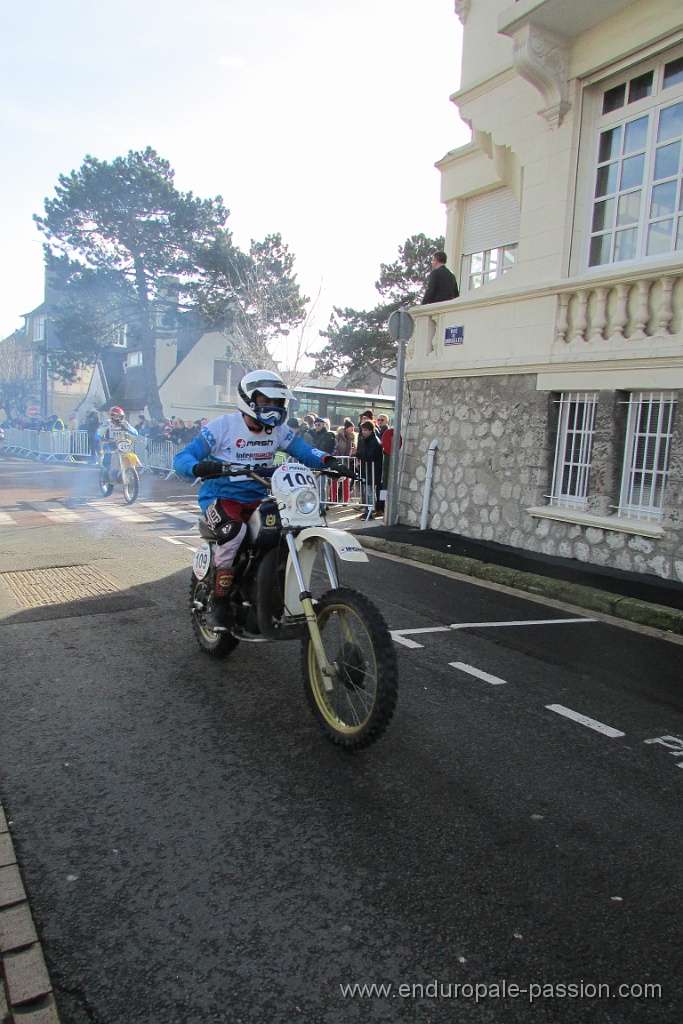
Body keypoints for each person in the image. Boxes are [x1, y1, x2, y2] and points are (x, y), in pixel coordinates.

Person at [173, 369, 353, 632]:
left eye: (278, 403)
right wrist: (199, 468)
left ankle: (268, 590)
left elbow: (304, 451)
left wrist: (330, 461)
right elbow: (183, 458)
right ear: (249, 399)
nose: (273, 409)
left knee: (285, 531)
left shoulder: (279, 431)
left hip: (259, 497)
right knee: (234, 532)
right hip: (221, 498)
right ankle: (220, 603)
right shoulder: (222, 426)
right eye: (266, 402)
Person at [96, 406, 138, 478]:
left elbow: (135, 433)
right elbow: (97, 435)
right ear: (111, 416)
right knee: (109, 456)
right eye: (115, 416)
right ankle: (107, 473)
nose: (117, 418)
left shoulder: (125, 423)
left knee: (130, 454)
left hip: (122, 443)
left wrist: (127, 429)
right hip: (111, 443)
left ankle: (129, 470)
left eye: (119, 416)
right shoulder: (107, 424)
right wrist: (102, 437)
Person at [356, 419, 384, 518]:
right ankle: (368, 510)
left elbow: (369, 456)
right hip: (367, 471)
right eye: (363, 430)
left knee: (370, 492)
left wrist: (357, 454)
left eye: (365, 430)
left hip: (372, 471)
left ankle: (370, 511)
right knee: (368, 491)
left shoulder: (374, 441)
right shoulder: (365, 440)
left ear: (371, 430)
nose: (363, 432)